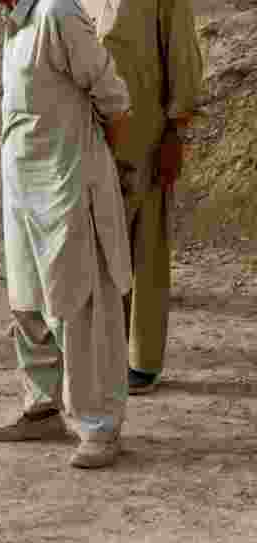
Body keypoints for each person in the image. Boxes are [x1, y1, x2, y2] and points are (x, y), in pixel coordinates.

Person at [0, 0, 134, 468]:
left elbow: (114, 99)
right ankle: (42, 408)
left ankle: (100, 426)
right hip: (23, 189)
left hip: (68, 186)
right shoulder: (14, 22)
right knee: (26, 301)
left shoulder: (57, 13)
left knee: (81, 307)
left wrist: (108, 172)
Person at [83, 0, 204, 395]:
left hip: (147, 130)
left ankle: (143, 360)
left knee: (147, 245)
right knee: (98, 242)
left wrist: (176, 130)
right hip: (93, 130)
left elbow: (181, 50)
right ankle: (104, 349)